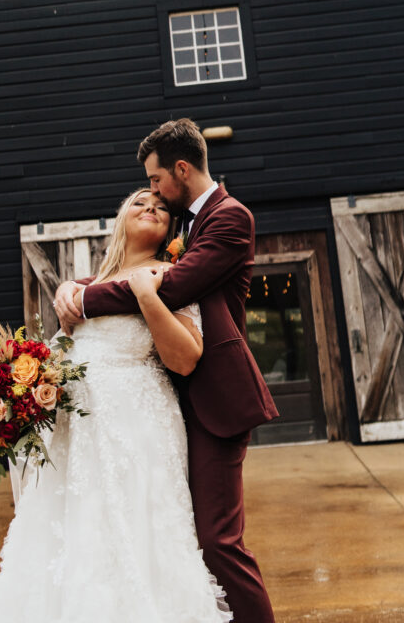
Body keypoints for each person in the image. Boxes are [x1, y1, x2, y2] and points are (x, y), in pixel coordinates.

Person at [0, 187, 232, 623]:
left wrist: (147, 296)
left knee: (134, 530)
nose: (150, 207)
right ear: (121, 219)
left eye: (159, 206)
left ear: (169, 229)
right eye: (139, 203)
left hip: (137, 422)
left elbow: (186, 357)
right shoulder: (84, 286)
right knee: (73, 532)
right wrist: (23, 386)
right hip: (76, 430)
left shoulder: (172, 276)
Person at [56, 118, 277, 623]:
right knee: (171, 535)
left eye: (156, 181)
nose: (153, 192)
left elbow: (171, 288)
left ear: (180, 169)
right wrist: (75, 285)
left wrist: (84, 298)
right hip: (166, 405)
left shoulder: (229, 217)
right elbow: (137, 268)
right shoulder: (187, 224)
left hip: (216, 397)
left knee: (218, 542)